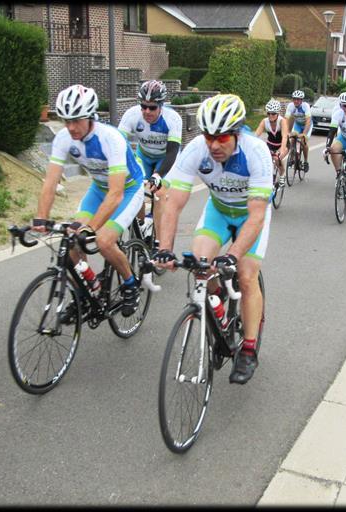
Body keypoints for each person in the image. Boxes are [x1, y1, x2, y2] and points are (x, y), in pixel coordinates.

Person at [154, 94, 273, 385]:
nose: (214, 145)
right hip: (218, 212)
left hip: (249, 217)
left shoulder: (256, 153)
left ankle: (247, 348)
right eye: (209, 136)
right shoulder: (196, 149)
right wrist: (165, 249)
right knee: (200, 266)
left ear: (237, 133)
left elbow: (257, 215)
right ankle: (217, 299)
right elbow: (172, 202)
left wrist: (232, 254)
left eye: (221, 138)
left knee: (245, 276)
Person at [35, 84, 146, 316]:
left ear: (90, 116)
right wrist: (41, 219)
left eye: (77, 120)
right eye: (66, 121)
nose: (71, 127)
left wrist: (90, 228)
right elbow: (50, 182)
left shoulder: (110, 138)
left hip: (128, 189)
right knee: (71, 243)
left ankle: (130, 284)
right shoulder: (64, 138)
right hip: (98, 189)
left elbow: (116, 193)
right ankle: (86, 291)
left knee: (104, 240)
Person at [117, 79, 182, 241]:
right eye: (143, 106)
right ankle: (141, 224)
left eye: (152, 107)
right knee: (136, 187)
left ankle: (160, 244)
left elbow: (172, 151)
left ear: (161, 106)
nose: (147, 111)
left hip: (165, 158)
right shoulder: (132, 115)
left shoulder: (172, 119)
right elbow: (117, 143)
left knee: (159, 192)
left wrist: (158, 175)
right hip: (144, 155)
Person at [253, 99, 289, 185]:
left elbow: (284, 137)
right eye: (268, 113)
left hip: (282, 144)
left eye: (273, 113)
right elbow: (256, 135)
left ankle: (282, 175)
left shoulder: (282, 121)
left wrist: (282, 149)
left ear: (278, 113)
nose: (270, 115)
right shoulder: (264, 121)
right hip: (271, 144)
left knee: (277, 159)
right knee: (262, 159)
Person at [284, 90, 312, 172]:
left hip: (307, 125)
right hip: (298, 124)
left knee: (303, 141)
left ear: (301, 100)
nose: (296, 101)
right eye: (294, 99)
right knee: (292, 138)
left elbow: (308, 121)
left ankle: (306, 161)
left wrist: (304, 134)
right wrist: (286, 132)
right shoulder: (290, 106)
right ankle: (292, 157)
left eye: (298, 99)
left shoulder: (305, 106)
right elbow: (286, 119)